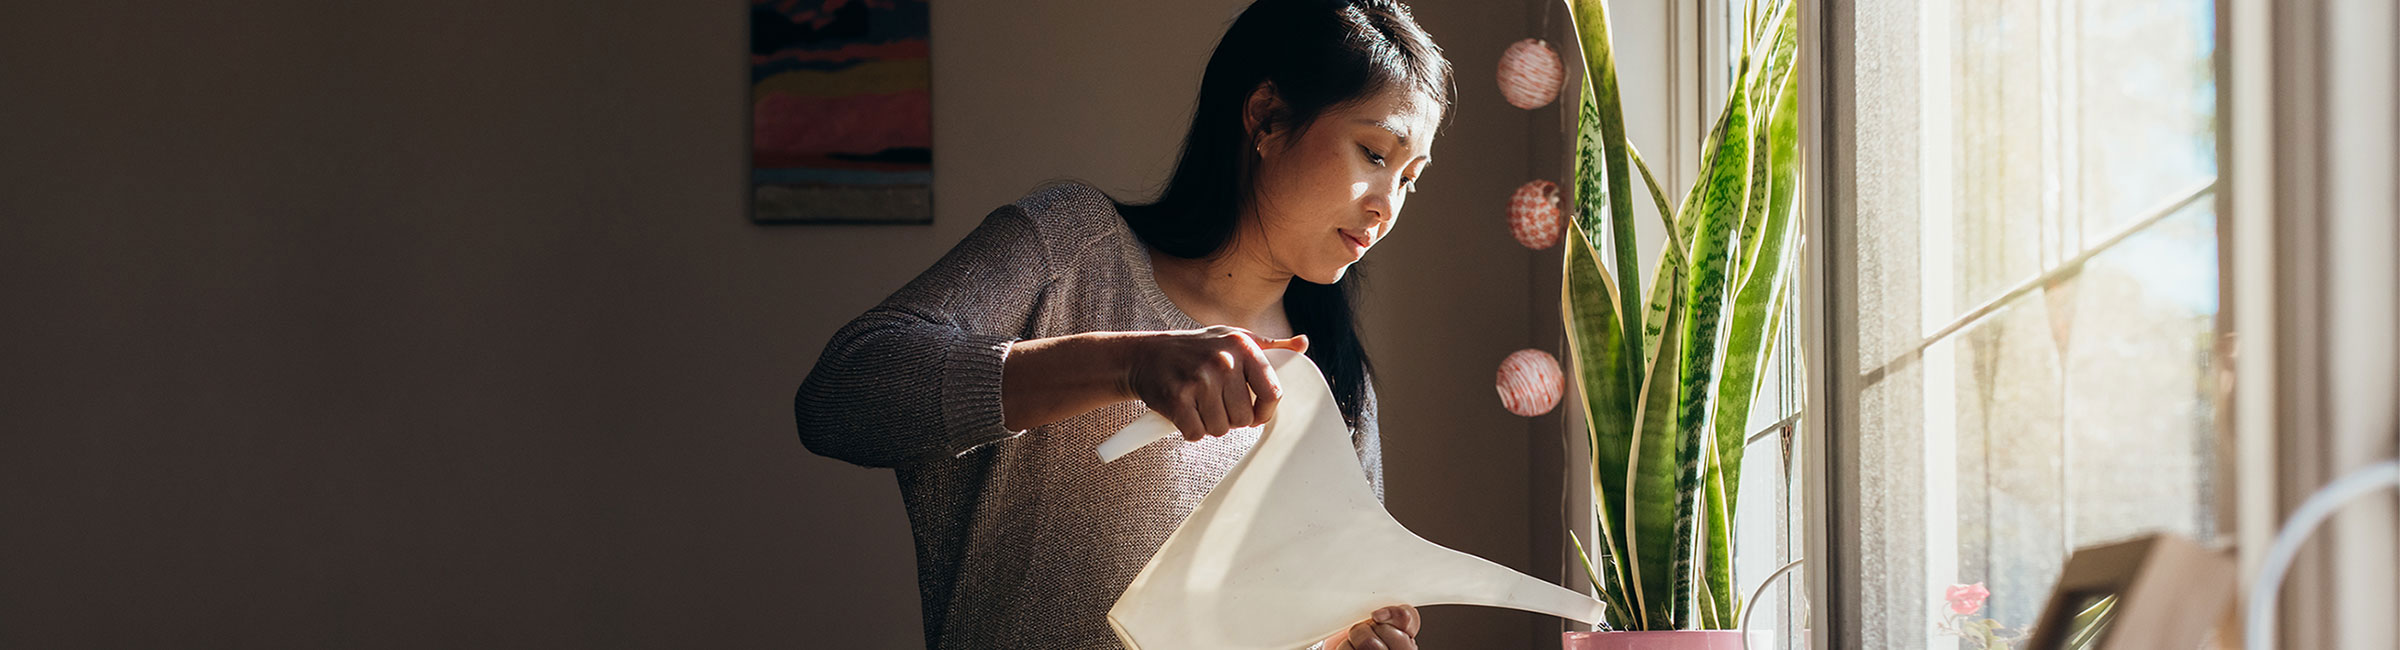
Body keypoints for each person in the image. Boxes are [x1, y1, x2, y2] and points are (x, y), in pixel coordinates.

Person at [795, 0, 1450, 647]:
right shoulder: (1073, 247)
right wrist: (1130, 364)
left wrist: (1353, 638)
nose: (1387, 206)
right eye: (1373, 153)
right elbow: (839, 394)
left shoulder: (1336, 375)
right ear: (1267, 116)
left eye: (1410, 178)